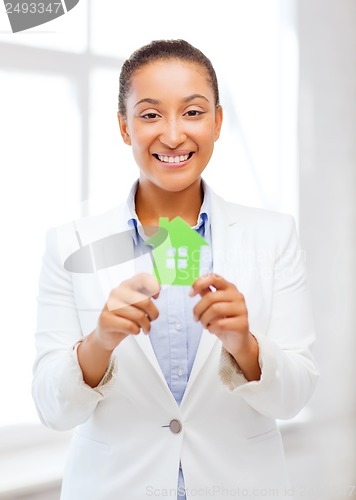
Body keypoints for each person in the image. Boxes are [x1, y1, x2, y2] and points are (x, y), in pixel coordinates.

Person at [32, 39, 319, 500]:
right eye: (149, 114)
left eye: (193, 112)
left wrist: (245, 347)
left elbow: (297, 395)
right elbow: (52, 408)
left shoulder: (274, 235)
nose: (172, 135)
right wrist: (99, 344)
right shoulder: (71, 244)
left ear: (218, 121)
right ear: (124, 127)